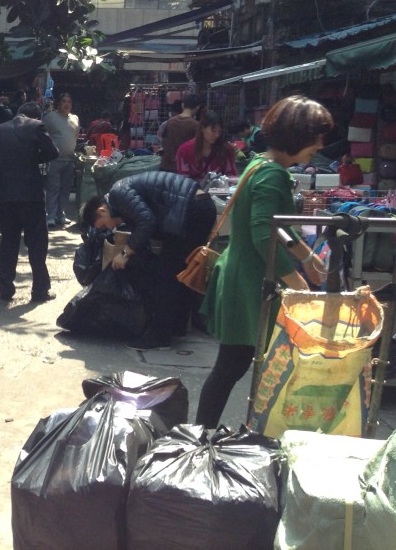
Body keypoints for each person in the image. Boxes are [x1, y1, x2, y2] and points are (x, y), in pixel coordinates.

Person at [195, 96, 332, 428]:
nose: (317, 149)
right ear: (297, 137)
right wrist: (298, 285)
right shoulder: (271, 175)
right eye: (313, 144)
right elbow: (262, 234)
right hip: (247, 280)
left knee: (234, 364)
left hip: (244, 273)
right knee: (232, 364)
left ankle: (203, 433)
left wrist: (308, 258)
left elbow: (276, 228)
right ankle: (200, 436)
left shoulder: (261, 164)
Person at [91, 171, 218, 349]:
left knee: (166, 276)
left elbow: (146, 221)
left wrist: (125, 253)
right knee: (182, 272)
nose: (110, 227)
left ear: (102, 210)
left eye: (104, 224)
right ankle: (176, 327)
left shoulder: (118, 194)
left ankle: (160, 336)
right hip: (198, 208)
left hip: (192, 212)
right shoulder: (121, 195)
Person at [0, 101, 60, 303]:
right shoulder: (37, 127)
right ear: (35, 116)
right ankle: (39, 291)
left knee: (8, 243)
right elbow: (53, 152)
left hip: (6, 195)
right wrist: (31, 159)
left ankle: (5, 290)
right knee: (37, 244)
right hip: (31, 196)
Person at [42, 92, 80, 227]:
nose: (66, 104)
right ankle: (50, 216)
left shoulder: (75, 118)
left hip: (69, 160)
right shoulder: (50, 117)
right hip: (54, 160)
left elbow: (75, 136)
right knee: (53, 188)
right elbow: (43, 135)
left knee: (65, 189)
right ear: (58, 103)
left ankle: (60, 214)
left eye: (69, 101)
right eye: (64, 101)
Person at [175, 111, 238, 183]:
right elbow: (183, 180)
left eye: (219, 132)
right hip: (193, 192)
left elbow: (232, 175)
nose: (217, 135)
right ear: (202, 128)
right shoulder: (184, 150)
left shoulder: (226, 149)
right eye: (213, 131)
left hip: (220, 191)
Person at [159, 93, 201, 171]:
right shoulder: (196, 125)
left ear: (182, 105)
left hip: (166, 165)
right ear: (197, 108)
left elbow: (164, 142)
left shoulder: (169, 122)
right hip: (183, 168)